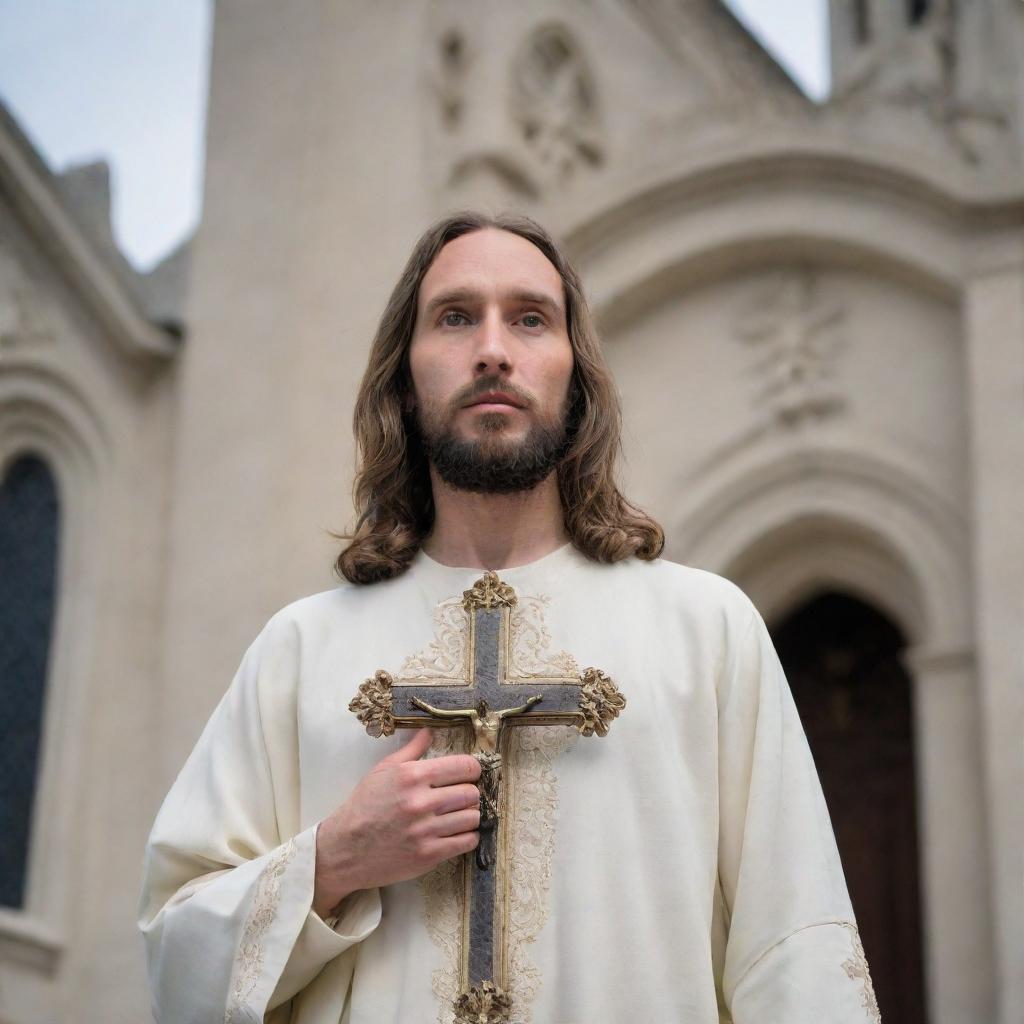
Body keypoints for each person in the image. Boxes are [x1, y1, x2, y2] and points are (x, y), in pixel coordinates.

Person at [139, 213, 881, 1023]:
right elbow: (177, 953)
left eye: (530, 318)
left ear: (576, 373)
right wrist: (336, 858)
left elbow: (794, 944)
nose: (493, 349)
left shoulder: (706, 630)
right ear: (404, 375)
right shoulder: (301, 649)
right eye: (455, 317)